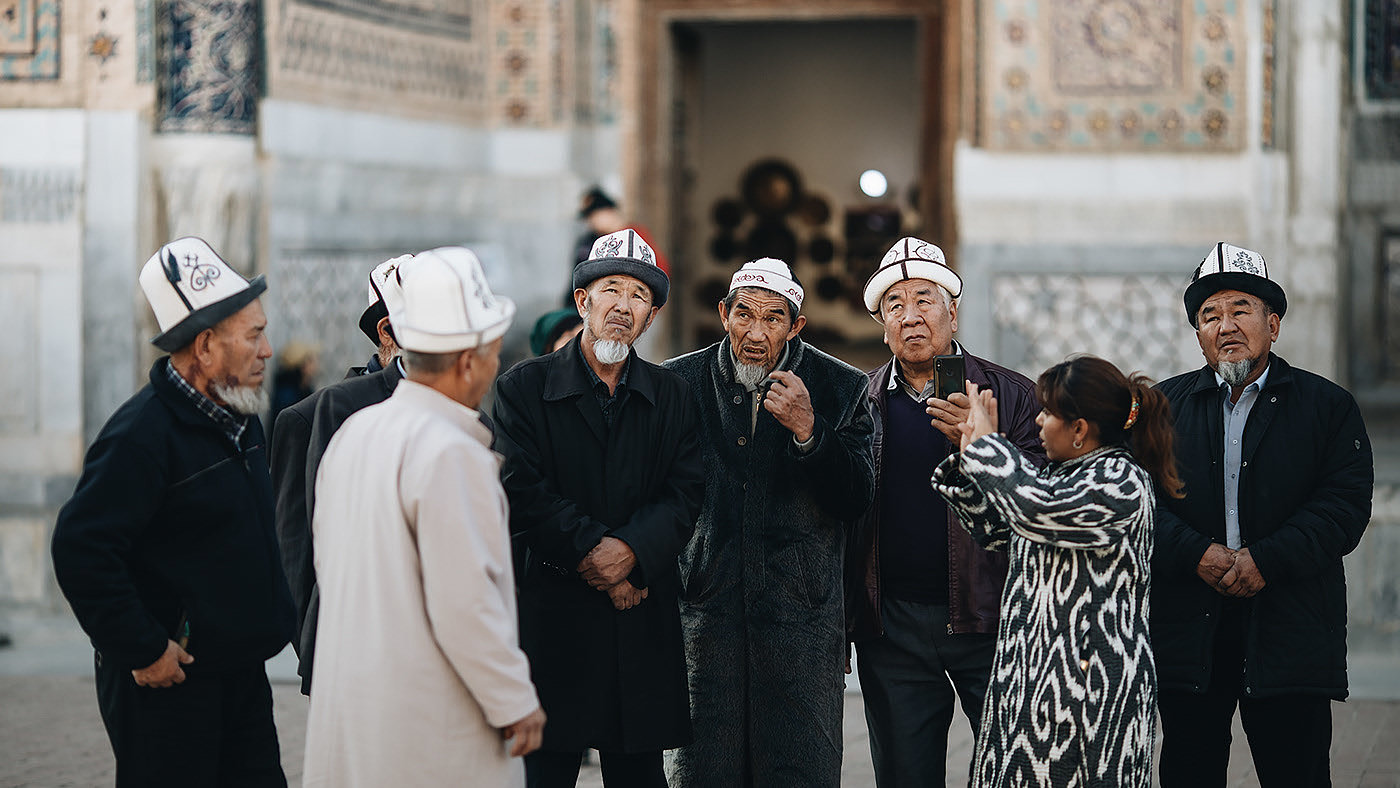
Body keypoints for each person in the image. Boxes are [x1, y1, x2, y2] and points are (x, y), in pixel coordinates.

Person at [51, 237, 296, 787]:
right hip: (168, 688)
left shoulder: (241, 420)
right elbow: (80, 548)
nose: (267, 350)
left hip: (240, 676)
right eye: (253, 335)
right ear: (205, 346)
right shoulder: (141, 435)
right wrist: (142, 646)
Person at [303, 247, 543, 787]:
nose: (496, 366)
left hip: (357, 712)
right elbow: (466, 602)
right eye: (493, 353)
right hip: (429, 729)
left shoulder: (355, 434)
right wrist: (514, 700)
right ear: (466, 362)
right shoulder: (452, 453)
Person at [1152, 243, 1374, 787]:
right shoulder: (1161, 408)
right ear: (1197, 333)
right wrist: (1195, 553)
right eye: (1209, 315)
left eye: (1241, 310)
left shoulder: (1327, 406)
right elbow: (1135, 500)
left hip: (1290, 623)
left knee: (1295, 770)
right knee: (1189, 769)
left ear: (1273, 325)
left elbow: (1344, 505)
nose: (1225, 326)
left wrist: (1266, 560)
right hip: (1189, 628)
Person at [493, 228, 705, 788]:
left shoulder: (673, 394)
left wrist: (631, 553)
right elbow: (520, 488)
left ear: (651, 316)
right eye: (611, 290)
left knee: (639, 773)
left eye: (639, 296)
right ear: (583, 301)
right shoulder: (524, 388)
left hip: (638, 619)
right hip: (553, 614)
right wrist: (598, 556)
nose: (623, 306)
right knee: (546, 771)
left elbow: (685, 493)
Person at [663, 257, 875, 787]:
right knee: (701, 771)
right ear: (723, 313)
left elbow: (857, 497)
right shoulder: (678, 384)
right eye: (744, 315)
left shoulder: (842, 388)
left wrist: (809, 428)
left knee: (798, 771)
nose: (756, 333)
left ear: (796, 325)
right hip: (704, 620)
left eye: (773, 318)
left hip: (802, 622)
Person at [847, 237, 1045, 786]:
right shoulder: (859, 401)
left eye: (925, 300)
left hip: (996, 619)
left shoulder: (1012, 395)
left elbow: (1037, 504)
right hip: (895, 629)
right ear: (881, 322)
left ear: (952, 312)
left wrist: (981, 448)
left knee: (1020, 769)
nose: (911, 317)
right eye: (895, 305)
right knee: (905, 775)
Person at [932, 355, 1180, 787]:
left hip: (1088, 696)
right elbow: (998, 532)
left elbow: (1034, 510)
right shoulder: (1061, 476)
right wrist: (969, 451)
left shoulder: (1119, 480)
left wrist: (991, 447)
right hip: (1031, 686)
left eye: (1047, 414)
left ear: (1079, 428)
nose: (1039, 422)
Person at [270, 255, 409, 695]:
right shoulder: (309, 419)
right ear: (387, 331)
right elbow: (295, 549)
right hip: (348, 656)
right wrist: (317, 644)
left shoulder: (464, 415)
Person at [270, 340, 319, 420]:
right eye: (311, 361)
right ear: (302, 366)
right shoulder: (287, 397)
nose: (316, 364)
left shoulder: (305, 389)